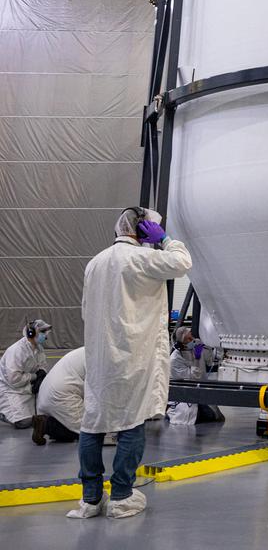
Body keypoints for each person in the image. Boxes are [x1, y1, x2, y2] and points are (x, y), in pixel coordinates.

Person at [67, 206, 191, 521]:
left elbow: (85, 309)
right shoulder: (143, 258)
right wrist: (165, 240)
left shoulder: (96, 262)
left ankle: (90, 499)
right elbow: (182, 262)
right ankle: (122, 497)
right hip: (133, 355)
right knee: (131, 422)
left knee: (93, 424)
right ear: (143, 231)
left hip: (100, 357)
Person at [167, 327, 224, 425]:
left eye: (192, 337)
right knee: (195, 415)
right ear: (181, 343)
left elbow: (211, 360)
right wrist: (197, 359)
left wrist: (207, 348)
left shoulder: (195, 349)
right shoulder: (175, 359)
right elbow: (193, 375)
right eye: (189, 339)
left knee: (215, 416)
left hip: (200, 392)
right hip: (185, 396)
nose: (193, 340)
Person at [0, 319, 51, 428]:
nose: (45, 335)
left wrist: (42, 372)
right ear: (31, 333)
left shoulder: (38, 348)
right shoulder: (17, 351)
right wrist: (35, 376)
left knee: (42, 415)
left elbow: (42, 364)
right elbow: (14, 379)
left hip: (26, 388)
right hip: (12, 390)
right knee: (23, 422)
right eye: (42, 332)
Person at [32, 346, 86, 444]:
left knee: (74, 432)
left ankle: (50, 422)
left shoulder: (87, 351)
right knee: (88, 433)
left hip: (50, 391)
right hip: (62, 393)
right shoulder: (98, 357)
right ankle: (46, 425)